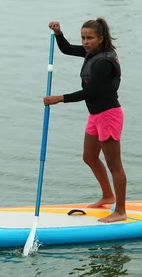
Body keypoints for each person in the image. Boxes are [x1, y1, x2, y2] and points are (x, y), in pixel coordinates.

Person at [43, 18, 127, 223]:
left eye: (90, 38)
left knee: (114, 165)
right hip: (96, 115)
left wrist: (59, 98)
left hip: (108, 115)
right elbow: (67, 49)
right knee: (89, 157)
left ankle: (120, 210)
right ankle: (108, 195)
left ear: (101, 38)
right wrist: (59, 34)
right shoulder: (93, 53)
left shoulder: (104, 63)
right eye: (83, 37)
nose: (86, 42)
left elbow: (90, 92)